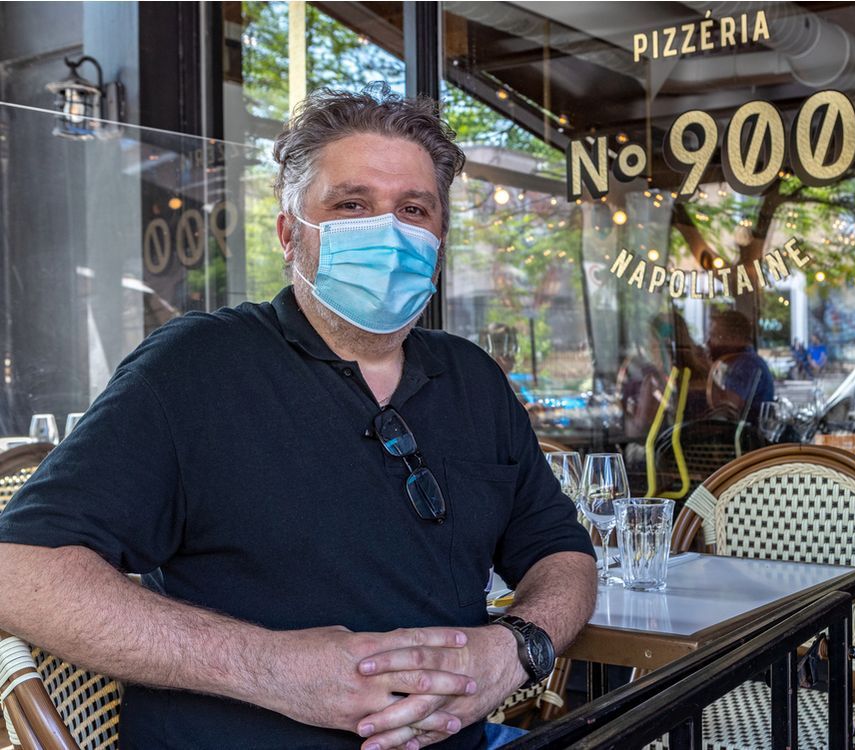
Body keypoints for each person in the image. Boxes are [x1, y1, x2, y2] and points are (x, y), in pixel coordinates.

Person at [0, 84, 597, 750]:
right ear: (290, 233)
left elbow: (562, 554)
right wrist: (271, 668)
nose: (389, 231)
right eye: (352, 205)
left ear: (438, 239)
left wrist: (518, 648)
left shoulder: (472, 379)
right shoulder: (198, 366)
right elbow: (19, 571)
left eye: (413, 209)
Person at [706, 309, 775, 424]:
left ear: (735, 338)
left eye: (715, 336)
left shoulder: (747, 364)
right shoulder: (739, 362)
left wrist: (704, 370)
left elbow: (728, 407)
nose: (708, 342)